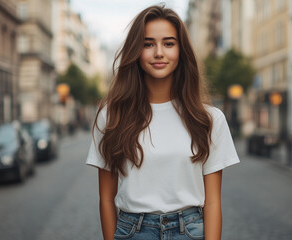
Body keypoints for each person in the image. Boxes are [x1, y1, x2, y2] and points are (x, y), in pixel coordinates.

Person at [86, 5, 240, 240]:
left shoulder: (208, 119)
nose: (159, 52)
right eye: (148, 44)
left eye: (169, 43)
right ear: (136, 52)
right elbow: (106, 199)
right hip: (133, 231)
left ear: (181, 50)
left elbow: (213, 202)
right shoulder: (112, 116)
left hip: (189, 231)